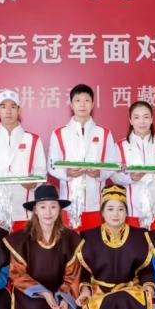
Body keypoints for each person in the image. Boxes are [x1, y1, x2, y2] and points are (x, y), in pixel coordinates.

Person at [74, 185, 155, 309]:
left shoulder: (140, 236)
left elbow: (146, 269)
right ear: (102, 212)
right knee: (112, 301)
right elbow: (84, 272)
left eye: (120, 209)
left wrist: (149, 285)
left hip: (131, 289)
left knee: (124, 299)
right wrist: (85, 290)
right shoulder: (88, 237)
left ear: (127, 212)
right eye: (110, 209)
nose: (115, 214)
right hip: (99, 290)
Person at [4, 184, 82, 309]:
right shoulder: (20, 239)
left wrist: (64, 298)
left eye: (53, 206)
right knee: (37, 307)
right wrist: (44, 293)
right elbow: (17, 273)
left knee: (67, 308)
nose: (48, 212)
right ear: (35, 210)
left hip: (60, 290)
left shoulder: (71, 238)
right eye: (43, 206)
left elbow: (72, 275)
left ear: (59, 210)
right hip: (31, 291)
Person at [48, 84, 119, 231]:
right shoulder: (59, 133)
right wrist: (66, 173)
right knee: (70, 243)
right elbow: (51, 165)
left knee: (95, 243)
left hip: (97, 203)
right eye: (78, 100)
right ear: (71, 104)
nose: (82, 104)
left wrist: (100, 173)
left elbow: (113, 164)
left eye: (86, 100)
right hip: (69, 203)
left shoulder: (104, 133)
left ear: (92, 104)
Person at [0, 90, 47, 232]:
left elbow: (41, 171)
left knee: (25, 247)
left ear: (19, 110)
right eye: (3, 107)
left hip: (25, 212)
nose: (8, 111)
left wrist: (35, 183)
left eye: (13, 106)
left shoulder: (33, 139)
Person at [112, 101, 155, 230]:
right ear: (130, 121)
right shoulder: (120, 146)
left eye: (146, 117)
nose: (142, 122)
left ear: (152, 119)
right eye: (136, 117)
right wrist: (130, 178)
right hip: (131, 210)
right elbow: (114, 176)